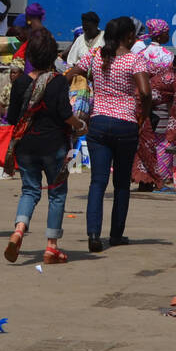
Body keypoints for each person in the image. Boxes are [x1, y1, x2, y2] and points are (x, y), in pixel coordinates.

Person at [64, 16, 151, 252]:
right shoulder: (135, 60)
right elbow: (144, 92)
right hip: (126, 125)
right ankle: (116, 235)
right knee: (121, 183)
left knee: (97, 183)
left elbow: (71, 74)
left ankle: (93, 235)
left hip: (99, 124)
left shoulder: (94, 55)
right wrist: (146, 116)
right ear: (128, 36)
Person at [3, 29, 87, 264]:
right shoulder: (58, 81)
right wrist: (80, 125)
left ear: (29, 56)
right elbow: (65, 114)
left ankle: (19, 230)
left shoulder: (19, 83)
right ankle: (51, 246)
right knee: (57, 194)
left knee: (30, 190)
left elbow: (11, 119)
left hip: (26, 146)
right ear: (52, 55)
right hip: (54, 146)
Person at [132, 19, 176, 192]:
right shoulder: (167, 55)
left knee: (145, 141)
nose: (169, 35)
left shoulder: (141, 53)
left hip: (143, 103)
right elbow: (168, 82)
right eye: (167, 32)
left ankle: (145, 179)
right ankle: (160, 178)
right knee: (162, 141)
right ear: (161, 34)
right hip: (162, 106)